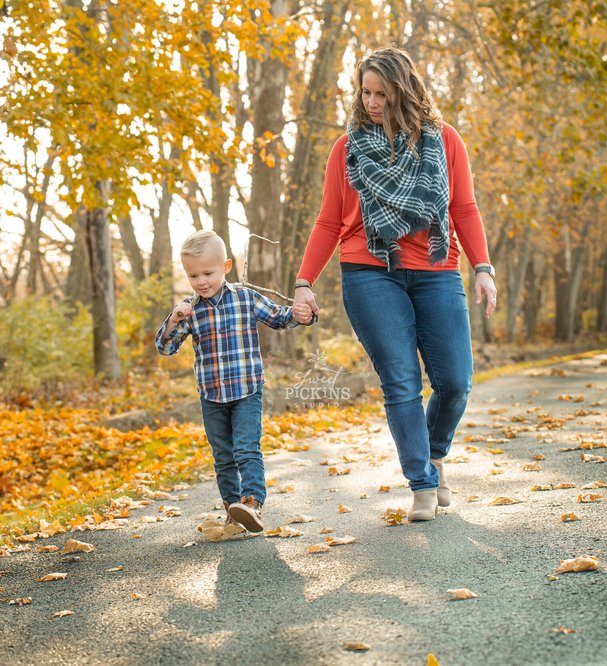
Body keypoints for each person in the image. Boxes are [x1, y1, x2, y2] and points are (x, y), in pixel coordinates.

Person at [293, 47, 498, 522]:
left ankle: (434, 453)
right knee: (401, 380)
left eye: (382, 94)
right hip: (369, 270)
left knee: (455, 382)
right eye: (365, 92)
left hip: (437, 269)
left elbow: (463, 208)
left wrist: (483, 267)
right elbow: (329, 221)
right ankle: (422, 484)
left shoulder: (444, 140)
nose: (371, 102)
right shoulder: (347, 149)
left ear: (404, 93)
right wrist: (304, 281)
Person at [156, 230, 315, 532]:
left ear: (226, 267)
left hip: (246, 390)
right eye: (193, 275)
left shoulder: (245, 297)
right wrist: (174, 320)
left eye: (208, 273)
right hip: (212, 395)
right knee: (223, 457)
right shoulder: (189, 310)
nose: (201, 281)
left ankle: (252, 503)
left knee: (246, 449)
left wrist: (300, 314)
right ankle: (234, 511)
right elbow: (165, 348)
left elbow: (279, 317)